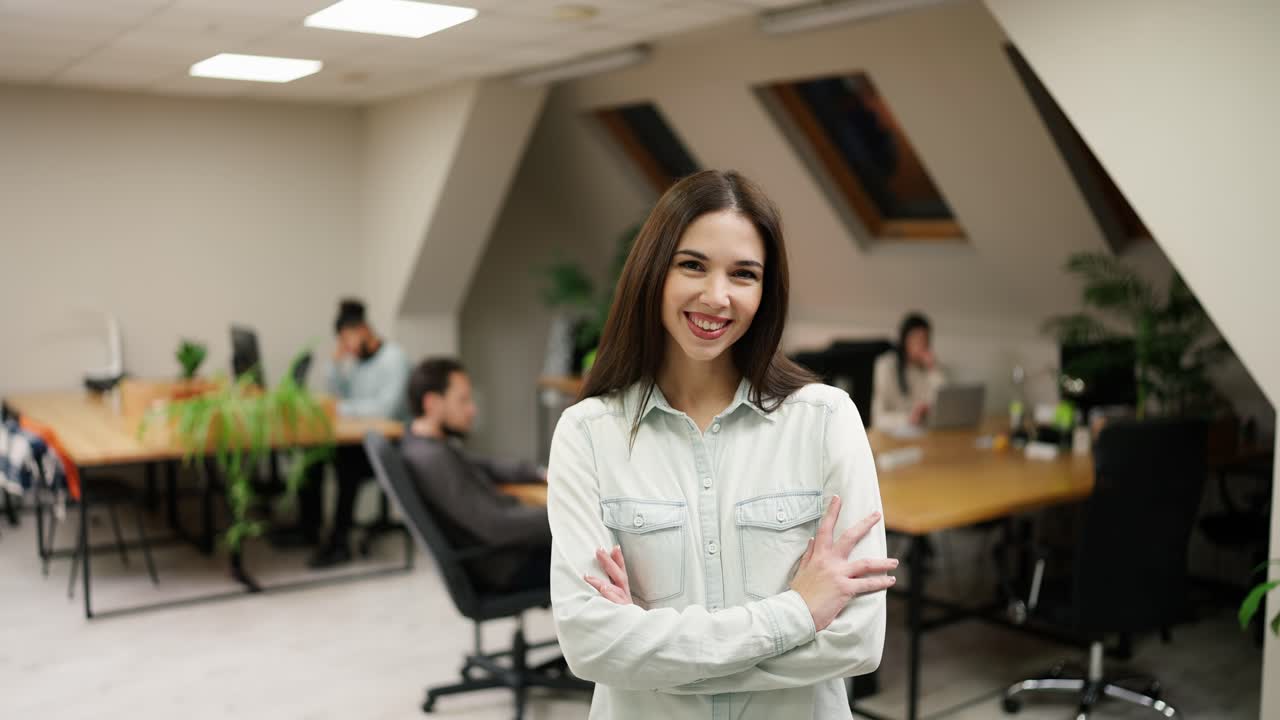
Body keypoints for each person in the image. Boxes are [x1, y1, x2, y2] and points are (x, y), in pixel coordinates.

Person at [546, 170, 895, 719]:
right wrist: (799, 612)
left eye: (744, 274)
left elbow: (857, 641)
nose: (717, 296)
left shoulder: (826, 420)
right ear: (652, 271)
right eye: (692, 265)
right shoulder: (587, 434)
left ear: (765, 291)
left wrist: (652, 654)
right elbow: (592, 646)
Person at [400, 357, 552, 592]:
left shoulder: (425, 445)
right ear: (432, 403)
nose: (472, 409)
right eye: (462, 400)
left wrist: (540, 473)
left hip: (507, 552)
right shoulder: (433, 459)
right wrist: (560, 518)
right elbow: (495, 526)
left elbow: (486, 465)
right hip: (506, 564)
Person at [303, 298, 410, 568]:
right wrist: (335, 366)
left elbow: (385, 410)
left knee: (346, 465)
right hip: (364, 440)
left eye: (348, 339)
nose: (347, 347)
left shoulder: (394, 359)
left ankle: (340, 542)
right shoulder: (359, 363)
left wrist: (343, 409)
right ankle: (309, 529)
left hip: (393, 445)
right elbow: (341, 397)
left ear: (364, 330)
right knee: (312, 457)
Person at [871, 312, 946, 432]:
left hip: (925, 435)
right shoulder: (886, 366)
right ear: (904, 340)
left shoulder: (929, 369)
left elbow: (945, 404)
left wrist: (933, 369)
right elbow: (878, 419)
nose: (922, 345)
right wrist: (909, 418)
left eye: (925, 340)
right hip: (893, 436)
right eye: (917, 339)